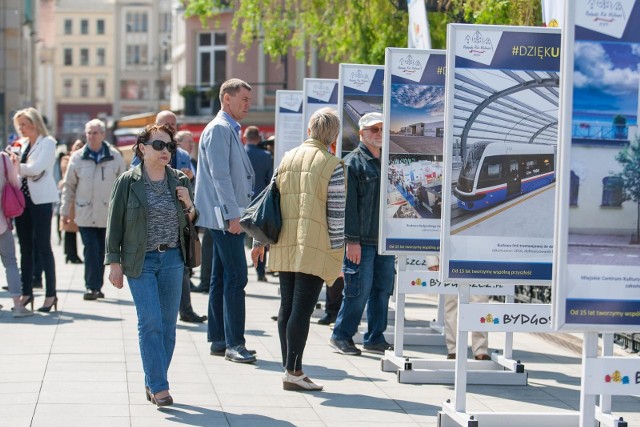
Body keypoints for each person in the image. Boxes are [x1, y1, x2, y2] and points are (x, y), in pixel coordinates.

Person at [252, 107, 346, 391]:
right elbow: (337, 215)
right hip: (314, 244)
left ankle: (288, 367)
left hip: (284, 242)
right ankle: (293, 371)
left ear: (309, 130)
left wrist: (259, 241)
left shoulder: (286, 158)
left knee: (287, 305)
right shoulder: (333, 165)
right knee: (302, 309)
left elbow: (268, 201)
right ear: (334, 136)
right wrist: (338, 255)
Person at [105, 123, 197, 407]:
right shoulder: (127, 182)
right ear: (142, 149)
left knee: (168, 325)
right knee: (150, 322)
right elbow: (114, 224)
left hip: (172, 259)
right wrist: (113, 263)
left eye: (169, 145)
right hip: (139, 260)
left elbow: (192, 220)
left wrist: (189, 204)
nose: (165, 150)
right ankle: (160, 386)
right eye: (158, 145)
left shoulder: (180, 180)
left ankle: (153, 379)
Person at [195, 78, 257, 363]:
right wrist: (234, 215)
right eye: (243, 98)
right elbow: (220, 177)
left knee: (220, 278)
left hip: (223, 217)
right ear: (226, 99)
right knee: (236, 278)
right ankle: (234, 343)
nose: (248, 104)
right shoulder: (220, 129)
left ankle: (220, 339)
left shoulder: (227, 129)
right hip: (225, 218)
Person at [329, 112, 395, 356]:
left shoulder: (389, 161)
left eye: (381, 128)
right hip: (362, 241)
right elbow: (348, 207)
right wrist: (352, 241)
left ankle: (375, 337)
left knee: (382, 290)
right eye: (373, 129)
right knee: (358, 290)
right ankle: (341, 335)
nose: (378, 133)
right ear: (361, 133)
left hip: (385, 241)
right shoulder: (352, 163)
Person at [61, 119, 126, 301]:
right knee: (91, 248)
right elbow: (69, 186)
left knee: (101, 252)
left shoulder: (115, 156)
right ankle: (92, 287)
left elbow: (124, 186)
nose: (91, 136)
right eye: (89, 133)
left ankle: (97, 286)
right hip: (85, 214)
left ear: (103, 135)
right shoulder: (78, 157)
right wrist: (64, 211)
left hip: (107, 215)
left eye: (95, 132)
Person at [10, 107, 59, 313]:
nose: (20, 128)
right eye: (19, 125)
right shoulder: (20, 144)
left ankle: (50, 294)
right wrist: (14, 164)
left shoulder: (48, 143)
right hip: (22, 201)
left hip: (41, 201)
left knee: (43, 247)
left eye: (24, 124)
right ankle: (26, 292)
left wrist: (13, 165)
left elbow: (37, 168)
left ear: (34, 123)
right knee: (25, 248)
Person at [426, 256, 491, 360]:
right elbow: (435, 238)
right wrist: (432, 260)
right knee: (452, 304)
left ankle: (480, 349)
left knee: (480, 304)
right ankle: (454, 349)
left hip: (480, 256)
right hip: (451, 255)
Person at [0, 150, 34, 317]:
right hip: (2, 222)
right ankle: (18, 306)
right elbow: (16, 184)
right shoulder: (3, 158)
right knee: (10, 263)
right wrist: (14, 166)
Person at [243, 125, 273, 282]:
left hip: (241, 201)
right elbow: (270, 181)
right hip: (260, 202)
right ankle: (260, 272)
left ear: (245, 137)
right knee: (259, 236)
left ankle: (241, 270)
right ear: (258, 138)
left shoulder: (240, 153)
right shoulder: (266, 156)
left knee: (238, 238)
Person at [59, 140, 84, 264]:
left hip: (80, 198)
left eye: (81, 146)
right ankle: (70, 254)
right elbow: (65, 171)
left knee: (77, 228)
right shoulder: (67, 159)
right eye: (77, 146)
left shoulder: (83, 159)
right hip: (70, 198)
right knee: (69, 228)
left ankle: (73, 254)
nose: (79, 148)